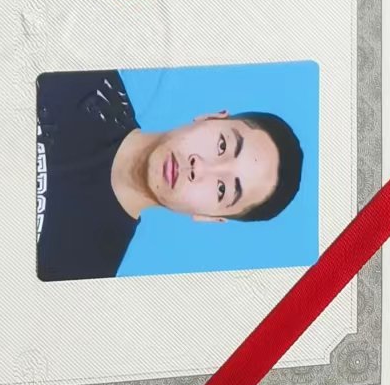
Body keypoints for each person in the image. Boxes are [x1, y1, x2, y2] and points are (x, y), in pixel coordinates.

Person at [36, 69, 304, 281]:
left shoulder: (84, 268)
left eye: (222, 189)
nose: (200, 168)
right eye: (222, 145)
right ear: (211, 118)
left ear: (209, 217)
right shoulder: (83, 78)